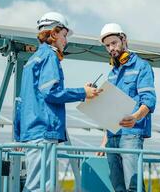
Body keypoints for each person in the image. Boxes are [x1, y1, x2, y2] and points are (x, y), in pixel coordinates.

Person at [13, 11, 102, 191]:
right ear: (53, 34)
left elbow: (21, 102)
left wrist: (19, 137)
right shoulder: (49, 56)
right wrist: (82, 93)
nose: (66, 40)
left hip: (31, 133)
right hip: (44, 132)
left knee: (38, 184)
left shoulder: (31, 61)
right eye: (64, 35)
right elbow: (51, 92)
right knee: (40, 186)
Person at [97, 23, 156, 192]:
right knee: (118, 187)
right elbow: (110, 107)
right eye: (107, 46)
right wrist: (104, 141)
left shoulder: (142, 67)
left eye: (114, 43)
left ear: (124, 39)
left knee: (133, 186)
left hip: (131, 134)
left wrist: (135, 117)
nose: (111, 49)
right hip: (112, 136)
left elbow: (149, 100)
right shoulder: (112, 72)